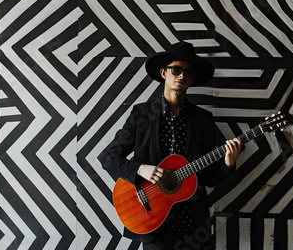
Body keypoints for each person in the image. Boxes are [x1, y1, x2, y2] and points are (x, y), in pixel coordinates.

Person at [97, 41, 242, 249]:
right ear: (164, 72)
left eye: (188, 72)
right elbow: (108, 157)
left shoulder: (203, 120)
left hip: (192, 224)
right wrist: (140, 169)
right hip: (152, 219)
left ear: (192, 79)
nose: (182, 75)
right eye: (176, 69)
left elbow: (209, 179)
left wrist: (227, 164)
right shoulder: (141, 115)